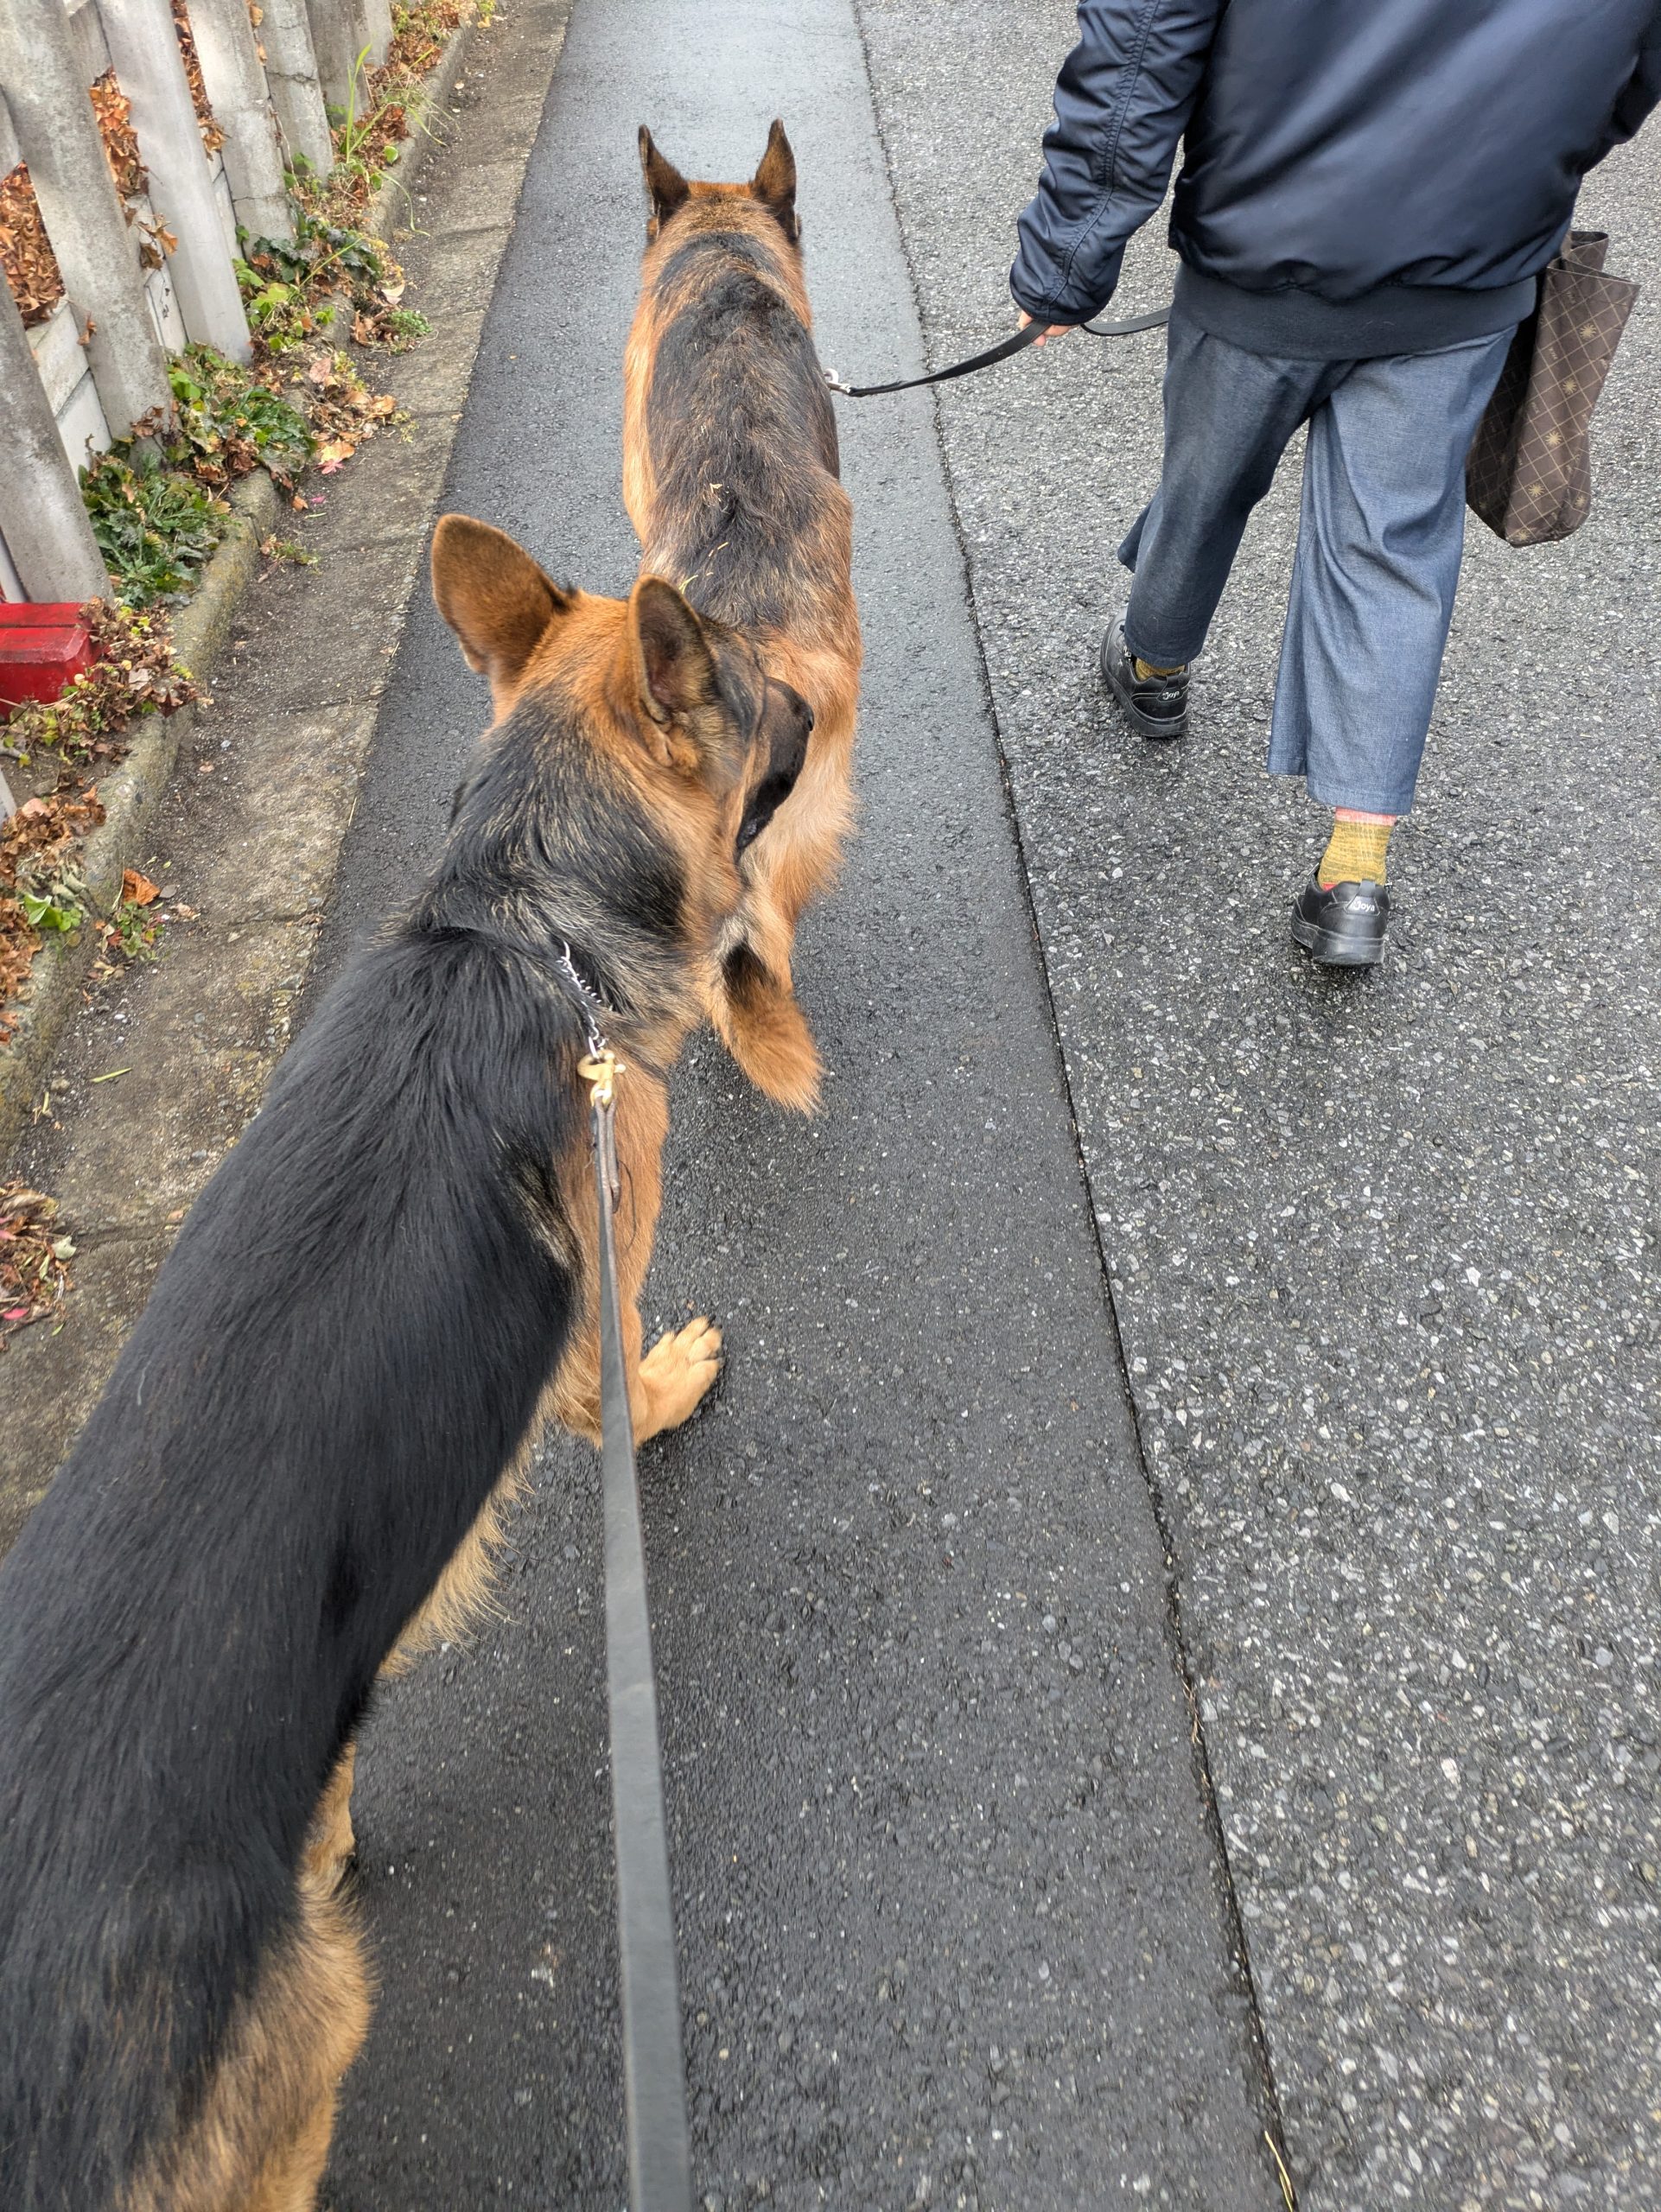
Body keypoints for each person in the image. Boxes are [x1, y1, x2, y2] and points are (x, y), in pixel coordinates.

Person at [1011, 0, 1661, 964]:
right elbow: (1627, 71)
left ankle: (1153, 666)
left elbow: (1142, 45)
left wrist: (1067, 263)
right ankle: (1352, 876)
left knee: (1206, 479)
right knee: (1392, 544)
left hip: (1265, 240)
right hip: (1467, 262)